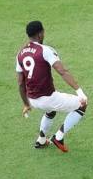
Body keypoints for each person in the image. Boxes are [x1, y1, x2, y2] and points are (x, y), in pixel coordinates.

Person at [16, 21, 88, 152]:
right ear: (40, 34)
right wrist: (79, 91)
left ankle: (41, 140)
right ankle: (58, 137)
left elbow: (21, 83)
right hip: (48, 98)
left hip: (32, 99)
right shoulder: (45, 50)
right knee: (82, 104)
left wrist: (26, 104)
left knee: (50, 110)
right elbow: (62, 71)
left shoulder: (20, 53)